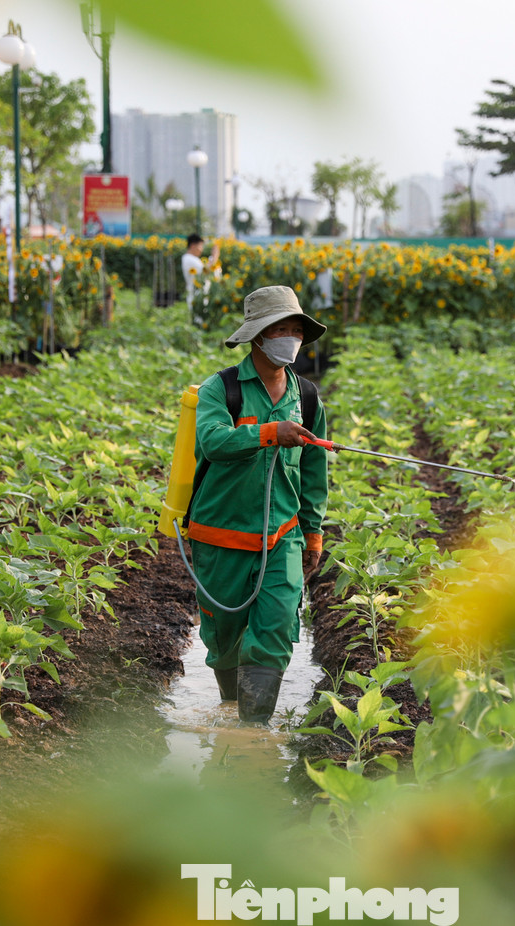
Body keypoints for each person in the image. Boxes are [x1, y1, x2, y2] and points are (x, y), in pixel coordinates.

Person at [186, 285, 328, 724]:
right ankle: (231, 710)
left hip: (280, 536)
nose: (289, 338)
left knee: (276, 629)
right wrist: (268, 433)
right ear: (258, 336)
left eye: (295, 330)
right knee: (225, 640)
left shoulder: (306, 396)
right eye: (279, 329)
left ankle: (252, 734)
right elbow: (211, 442)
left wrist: (313, 529)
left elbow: (314, 466)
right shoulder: (221, 389)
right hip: (221, 535)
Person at [181, 234, 222, 310]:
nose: (201, 249)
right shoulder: (188, 259)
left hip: (200, 296)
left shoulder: (193, 259)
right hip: (196, 297)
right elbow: (206, 270)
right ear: (193, 245)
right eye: (200, 246)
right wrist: (215, 256)